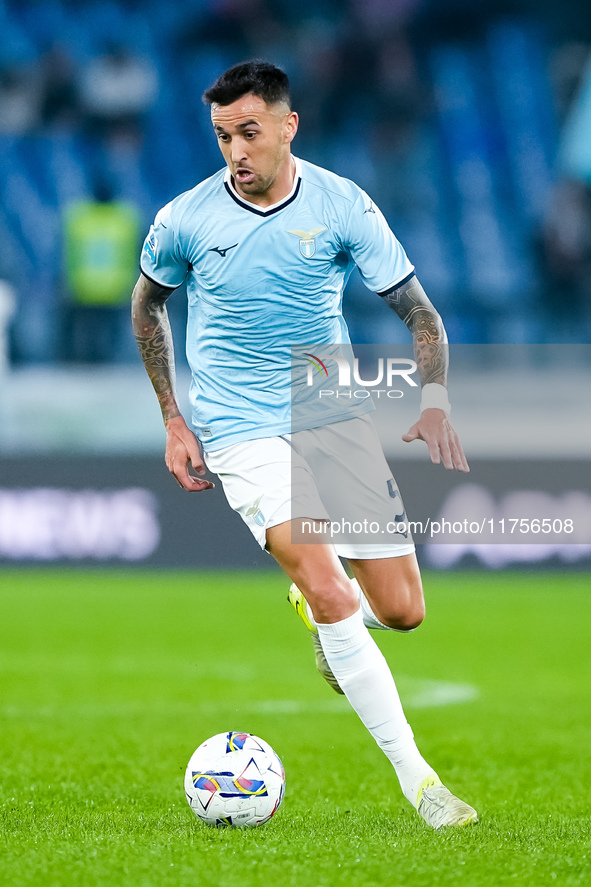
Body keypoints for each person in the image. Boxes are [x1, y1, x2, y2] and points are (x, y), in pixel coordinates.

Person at [131, 61, 477, 830]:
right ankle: (420, 783)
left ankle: (315, 609)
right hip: (240, 428)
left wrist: (434, 401)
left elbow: (419, 313)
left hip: (327, 411)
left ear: (289, 125)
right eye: (222, 137)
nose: (235, 152)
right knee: (332, 591)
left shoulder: (342, 204)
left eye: (249, 132)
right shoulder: (185, 218)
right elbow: (148, 303)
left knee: (402, 610)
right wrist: (173, 417)